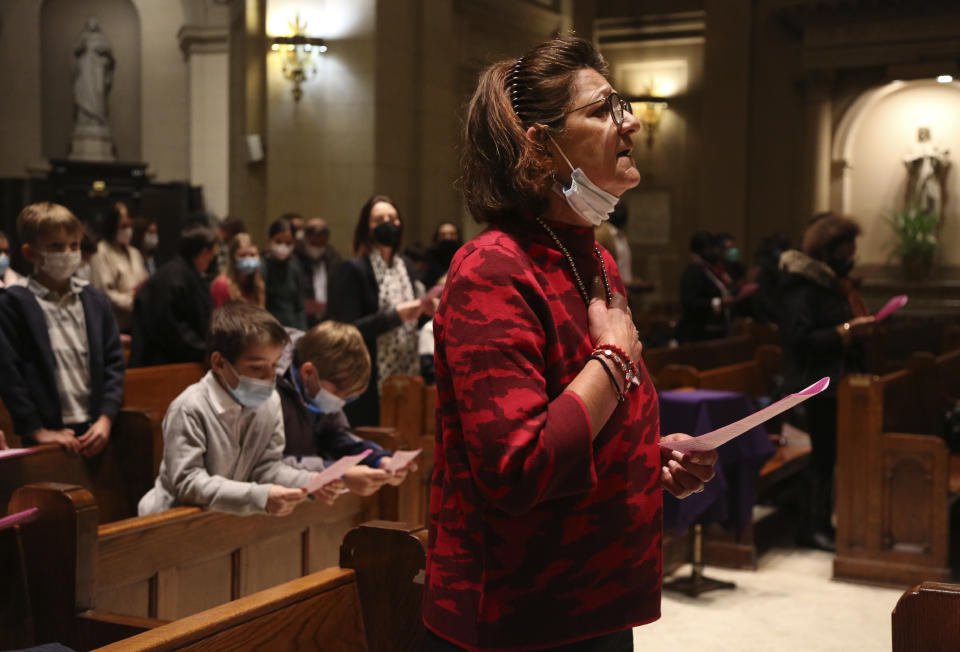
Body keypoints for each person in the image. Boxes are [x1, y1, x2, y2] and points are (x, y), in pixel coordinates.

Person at [425, 36, 716, 651]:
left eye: (622, 104)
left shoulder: (595, 260)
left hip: (596, 605)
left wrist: (648, 458)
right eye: (603, 109)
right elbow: (516, 470)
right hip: (517, 618)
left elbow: (583, 427)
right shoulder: (492, 268)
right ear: (540, 145)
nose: (631, 120)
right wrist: (610, 363)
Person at [138, 303, 341, 516]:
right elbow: (188, 483)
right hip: (171, 522)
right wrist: (259, 496)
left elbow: (267, 468)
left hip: (224, 518)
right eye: (256, 367)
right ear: (219, 363)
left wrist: (312, 481)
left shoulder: (270, 401)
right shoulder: (189, 408)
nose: (269, 377)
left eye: (274, 365)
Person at [778, 213, 873, 551]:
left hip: (834, 384)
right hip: (811, 386)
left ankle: (822, 520)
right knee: (818, 457)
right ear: (828, 250)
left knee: (828, 455)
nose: (851, 258)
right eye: (847, 251)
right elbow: (798, 340)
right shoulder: (802, 287)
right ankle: (809, 526)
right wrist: (847, 332)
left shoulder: (831, 286)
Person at [0, 202, 123, 457]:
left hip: (95, 429)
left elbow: (114, 363)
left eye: (74, 245)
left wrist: (106, 418)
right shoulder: (14, 302)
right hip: (45, 434)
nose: (67, 253)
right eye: (56, 246)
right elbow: (8, 372)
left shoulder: (95, 300)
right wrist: (36, 429)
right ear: (30, 253)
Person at [328, 195, 431, 427]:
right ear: (367, 227)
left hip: (406, 369)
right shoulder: (353, 269)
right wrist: (395, 316)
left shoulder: (405, 266)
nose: (387, 223)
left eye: (392, 218)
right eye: (379, 219)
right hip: (369, 377)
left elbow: (412, 318)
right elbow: (345, 330)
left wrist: (425, 310)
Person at [277, 321, 413, 495]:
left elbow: (335, 435)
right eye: (336, 393)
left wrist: (378, 459)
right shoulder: (268, 382)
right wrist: (336, 473)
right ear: (308, 372)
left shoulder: (318, 380)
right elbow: (268, 464)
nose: (339, 403)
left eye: (348, 398)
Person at [129, 225, 217, 367]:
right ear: (204, 251)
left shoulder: (185, 274)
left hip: (179, 360)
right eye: (211, 256)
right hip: (162, 364)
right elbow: (171, 327)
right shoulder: (173, 277)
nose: (211, 261)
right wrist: (203, 350)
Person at [90, 202, 149, 332]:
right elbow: (103, 293)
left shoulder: (134, 252)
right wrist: (132, 301)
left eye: (130, 225)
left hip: (137, 322)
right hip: (114, 326)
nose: (128, 230)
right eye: (123, 226)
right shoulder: (101, 252)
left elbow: (145, 283)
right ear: (112, 226)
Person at [676, 231, 731, 343]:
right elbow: (690, 302)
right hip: (699, 334)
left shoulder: (707, 269)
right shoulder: (694, 271)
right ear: (703, 249)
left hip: (712, 331)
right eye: (711, 248)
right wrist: (718, 303)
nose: (715, 251)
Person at [295, 217, 341, 325]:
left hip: (327, 319)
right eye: (314, 244)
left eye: (320, 245)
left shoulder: (333, 258)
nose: (317, 248)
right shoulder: (295, 259)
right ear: (306, 238)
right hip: (301, 320)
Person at [262, 217, 306, 329]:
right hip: (268, 329)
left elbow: (299, 307)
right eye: (278, 241)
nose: (283, 247)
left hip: (292, 330)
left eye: (288, 243)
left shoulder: (294, 267)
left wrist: (302, 332)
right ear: (269, 239)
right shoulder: (261, 266)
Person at [211, 233, 265, 308]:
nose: (248, 259)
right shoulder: (222, 284)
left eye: (252, 255)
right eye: (242, 255)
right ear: (233, 258)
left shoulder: (258, 284)